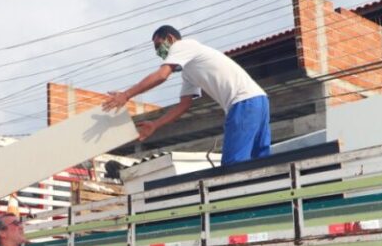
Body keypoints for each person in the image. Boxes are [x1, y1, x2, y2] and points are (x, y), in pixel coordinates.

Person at [102, 24, 272, 166]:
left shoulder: (183, 46)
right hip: (259, 100)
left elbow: (162, 75)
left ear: (170, 39)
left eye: (158, 46)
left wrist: (126, 95)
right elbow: (184, 105)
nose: (158, 52)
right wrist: (156, 125)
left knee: (234, 166)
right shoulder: (189, 70)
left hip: (243, 103)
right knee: (261, 162)